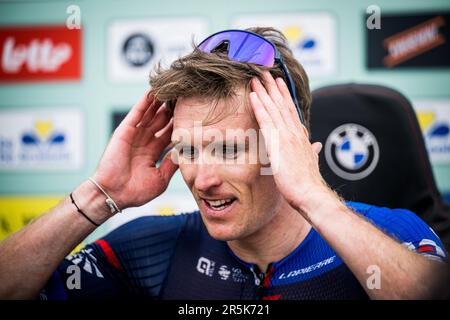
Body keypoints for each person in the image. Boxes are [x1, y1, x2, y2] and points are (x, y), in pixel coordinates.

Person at [0, 27, 448, 300]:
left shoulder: (394, 234)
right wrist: (100, 196)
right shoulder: (154, 249)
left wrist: (316, 197)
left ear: (288, 145)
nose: (202, 178)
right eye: (187, 149)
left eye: (229, 149)